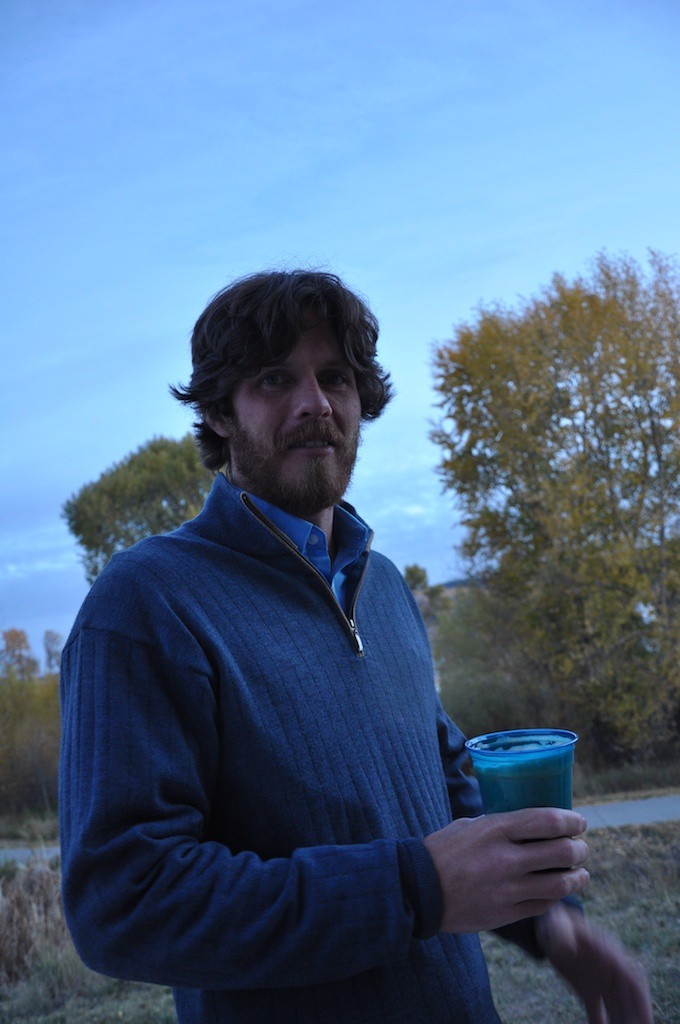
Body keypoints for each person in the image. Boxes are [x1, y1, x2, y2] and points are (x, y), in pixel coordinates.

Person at [59, 270, 652, 1024]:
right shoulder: (147, 603)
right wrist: (414, 889)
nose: (316, 403)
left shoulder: (385, 586)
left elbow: (443, 780)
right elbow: (123, 902)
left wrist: (547, 920)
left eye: (335, 377)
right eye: (275, 378)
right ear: (216, 411)